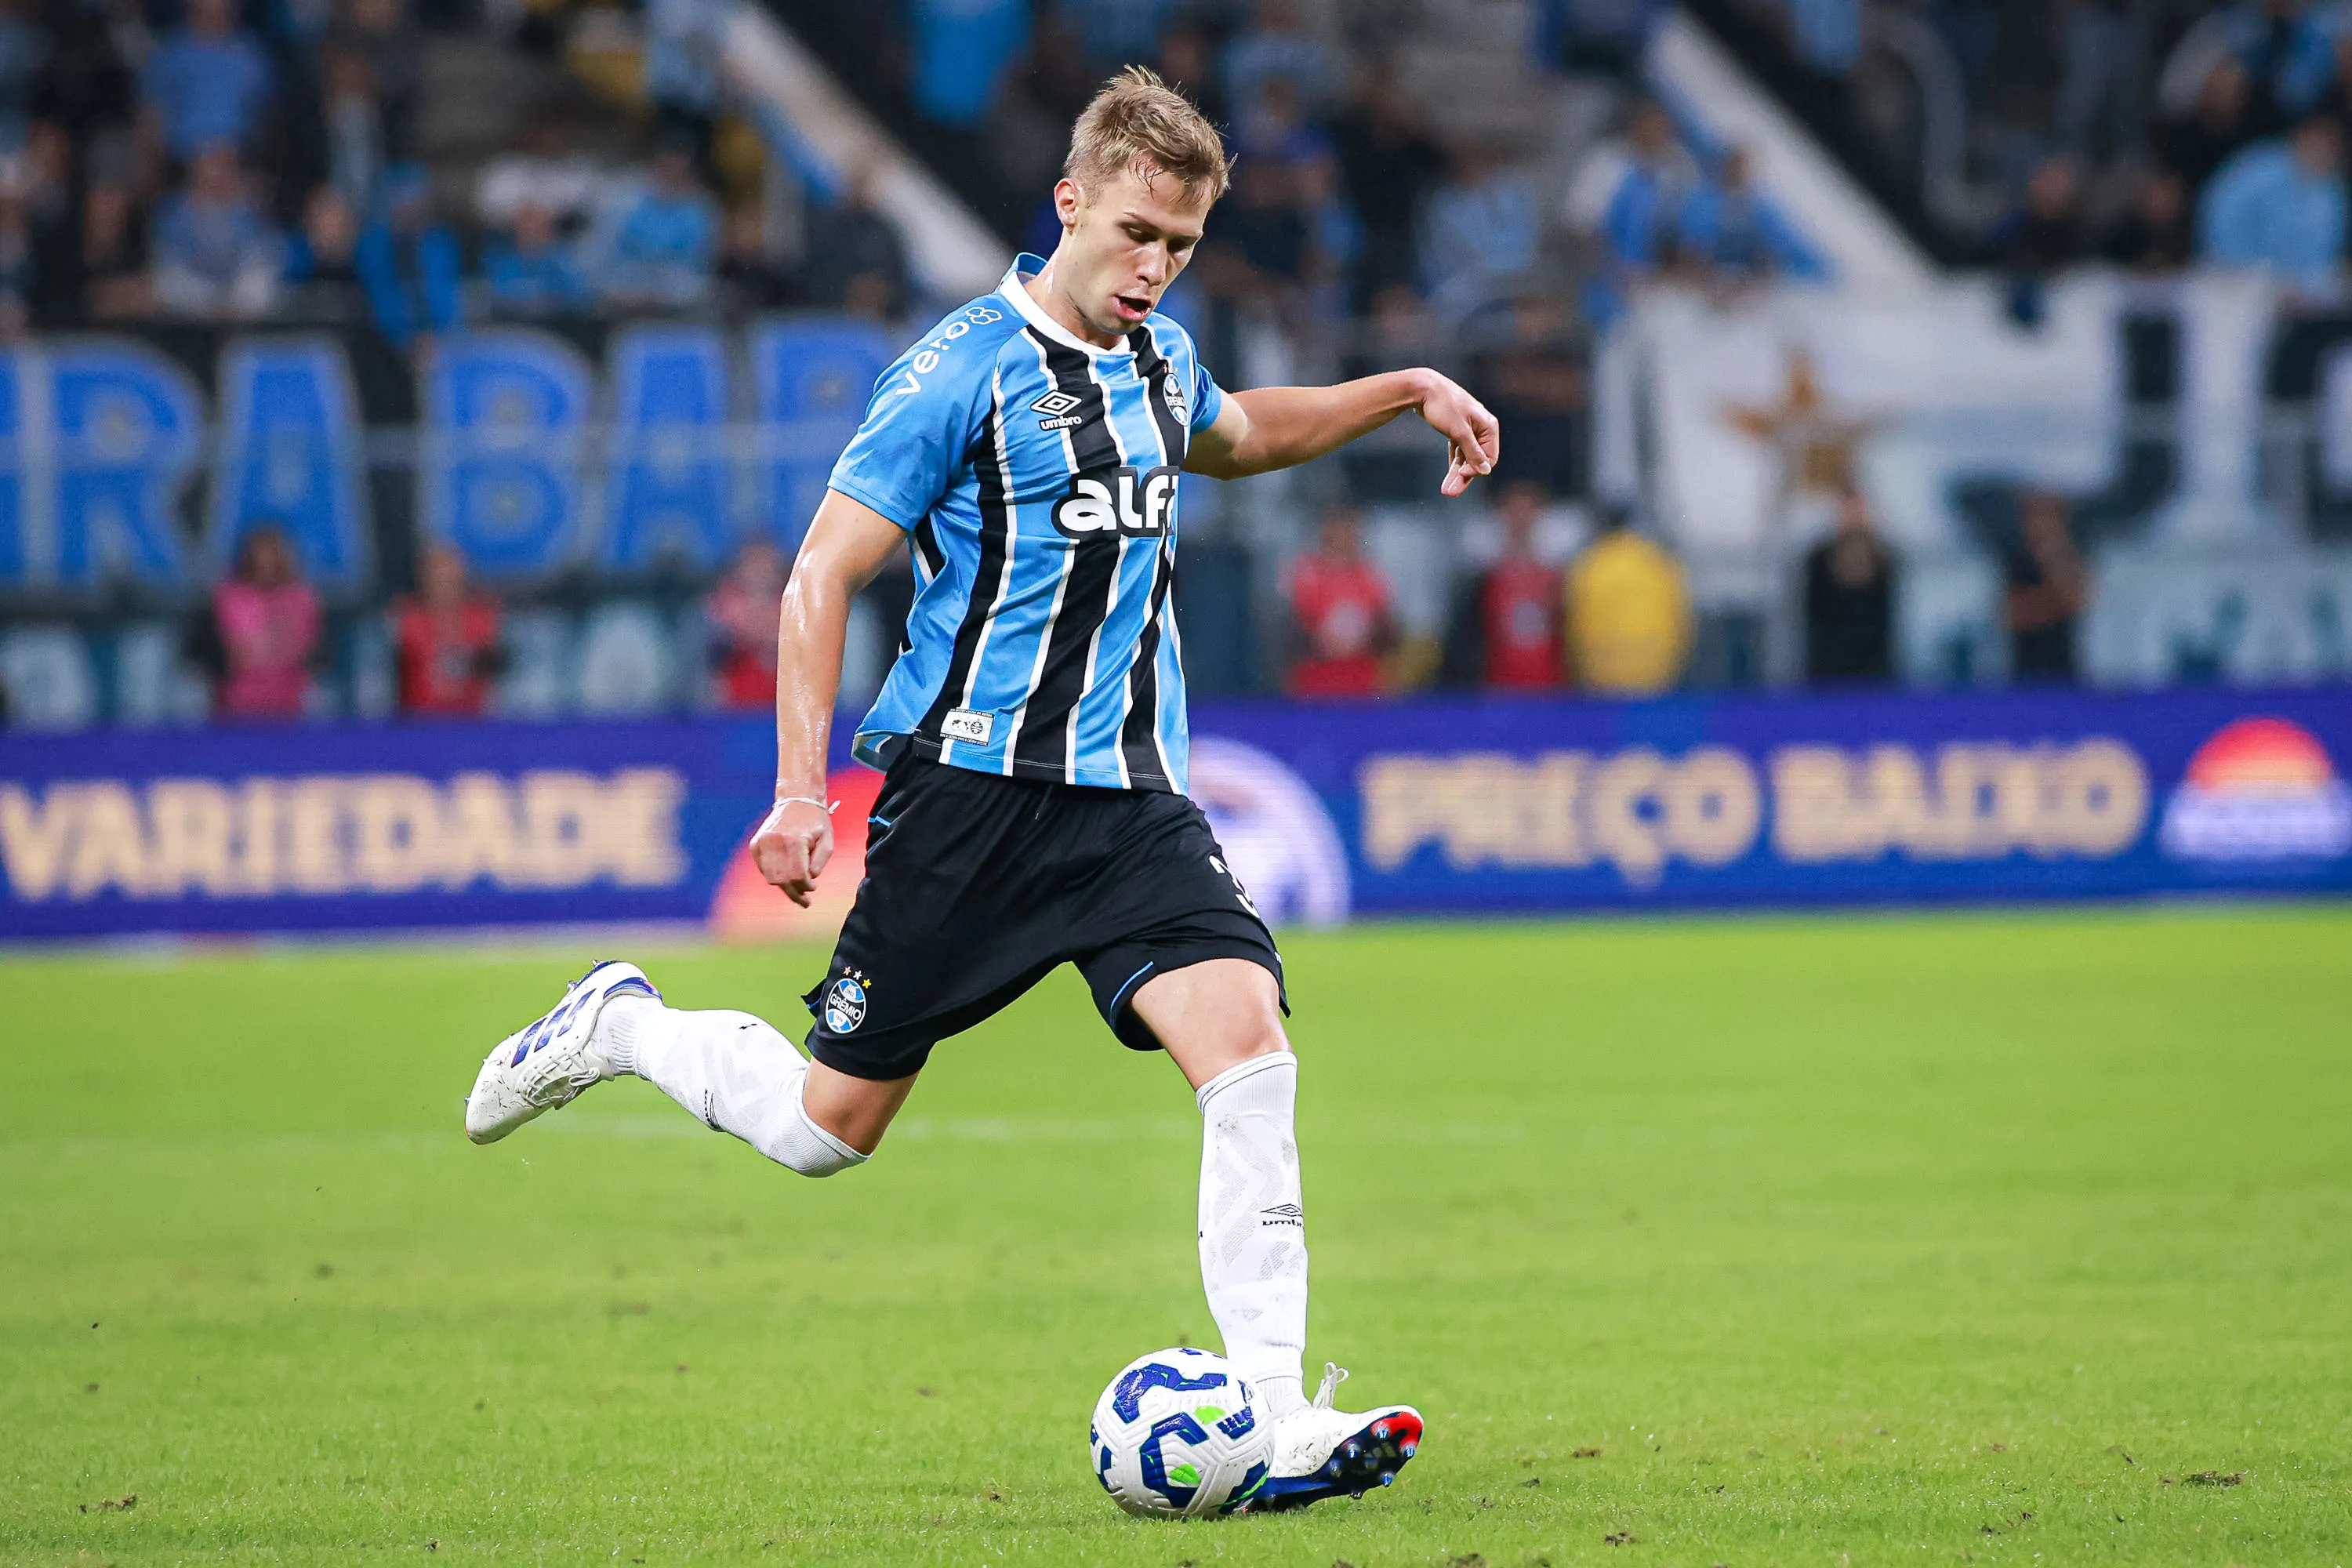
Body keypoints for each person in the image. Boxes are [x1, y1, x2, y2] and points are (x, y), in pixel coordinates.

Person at [463, 65, 1500, 1513]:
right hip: (968, 804)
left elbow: (1245, 436)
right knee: (824, 1132)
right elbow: (822, 573)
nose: (1154, 268)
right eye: (1135, 233)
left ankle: (1270, 1417)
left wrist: (1401, 389)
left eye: (1182, 247)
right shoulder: (960, 369)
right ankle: (623, 1025)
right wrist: (797, 792)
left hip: (1131, 804)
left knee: (1252, 1052)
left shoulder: (1157, 363)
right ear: (1067, 202)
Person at [2198, 116, 2346, 294]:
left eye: (2329, 145)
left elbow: (2325, 253)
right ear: (2301, 137)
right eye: (2318, 141)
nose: (2322, 150)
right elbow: (2220, 217)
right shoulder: (2258, 169)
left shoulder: (2331, 192)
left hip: (2303, 291)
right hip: (2237, 278)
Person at [151, 142, 285, 320]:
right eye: (208, 164)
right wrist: (209, 303)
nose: (216, 174)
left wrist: (239, 303)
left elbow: (262, 269)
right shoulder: (174, 217)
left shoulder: (252, 216)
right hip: (188, 319)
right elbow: (169, 277)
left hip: (244, 318)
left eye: (223, 166)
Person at [200, 524, 321, 720]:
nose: (266, 564)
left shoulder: (302, 598)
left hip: (290, 700)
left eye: (272, 556)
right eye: (260, 557)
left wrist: (266, 643)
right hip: (240, 701)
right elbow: (239, 655)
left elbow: (300, 650)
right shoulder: (231, 596)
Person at [1566, 505, 1689, 694]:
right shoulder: (1658, 561)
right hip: (1653, 673)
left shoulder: (1589, 564)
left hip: (1602, 675)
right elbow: (1680, 620)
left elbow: (1575, 625)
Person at [1283, 504, 1399, 697]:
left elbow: (1389, 635)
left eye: (1348, 528)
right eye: (1337, 528)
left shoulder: (1370, 576)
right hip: (1315, 682)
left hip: (1362, 682)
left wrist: (1368, 633)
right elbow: (1290, 636)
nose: (1343, 535)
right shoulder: (1305, 574)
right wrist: (1321, 637)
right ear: (1324, 531)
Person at [394, 546, 505, 717]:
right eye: (438, 578)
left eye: (449, 578)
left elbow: (495, 676)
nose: (444, 585)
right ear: (424, 580)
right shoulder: (407, 619)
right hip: (419, 721)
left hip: (472, 720)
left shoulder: (482, 620)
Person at [1802, 487, 1895, 684]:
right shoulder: (1817, 560)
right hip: (1827, 671)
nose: (1853, 519)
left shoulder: (1885, 561)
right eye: (1847, 512)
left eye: (1858, 512)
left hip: (1875, 671)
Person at [2005, 489, 2087, 683]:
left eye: (2048, 517)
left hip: (2067, 668)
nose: (2041, 525)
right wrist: (2054, 604)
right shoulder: (2016, 559)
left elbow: (2079, 598)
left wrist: (2054, 556)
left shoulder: (2073, 554)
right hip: (2023, 669)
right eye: (2036, 517)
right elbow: (2011, 615)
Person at [705, 538, 786, 710]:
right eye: (755, 563)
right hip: (733, 702)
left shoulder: (792, 602)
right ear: (741, 568)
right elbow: (732, 633)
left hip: (780, 698)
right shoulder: (724, 601)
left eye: (767, 563)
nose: (761, 571)